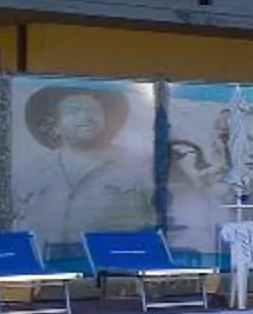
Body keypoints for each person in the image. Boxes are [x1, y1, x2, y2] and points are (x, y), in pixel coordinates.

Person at [13, 83, 156, 242]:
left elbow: (162, 224)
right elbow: (15, 224)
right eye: (73, 111)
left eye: (93, 110)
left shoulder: (139, 166)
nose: (85, 117)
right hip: (47, 265)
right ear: (55, 125)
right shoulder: (32, 171)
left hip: (112, 266)